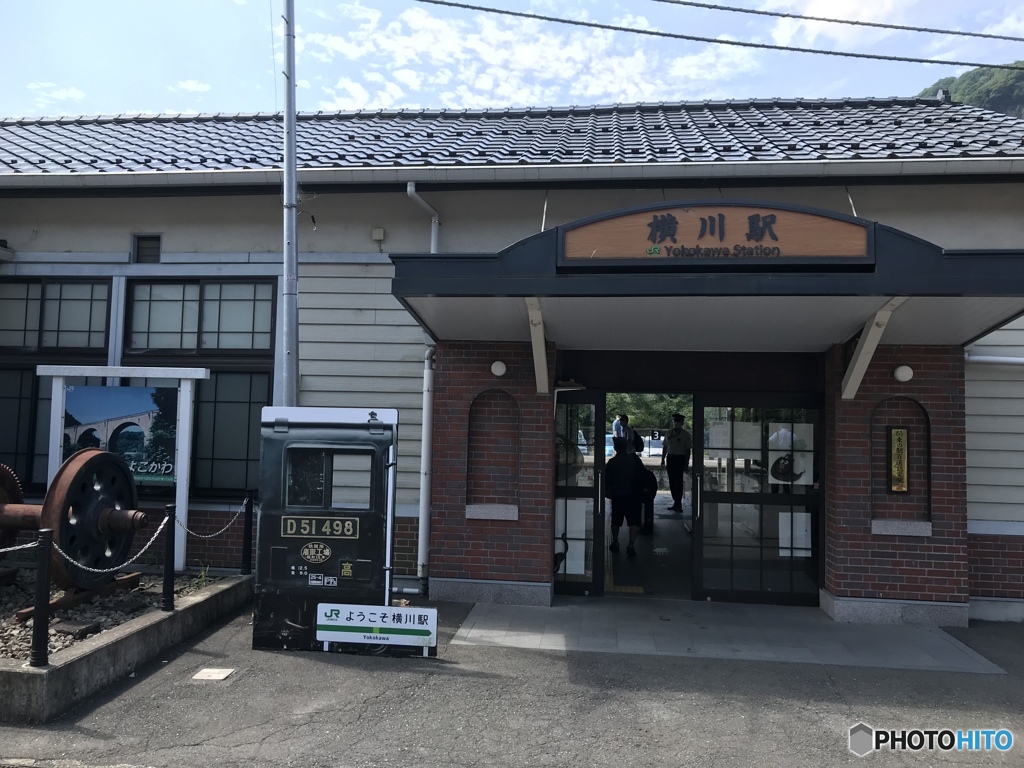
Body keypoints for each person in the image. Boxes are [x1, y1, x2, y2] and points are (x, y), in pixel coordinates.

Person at [605, 436, 645, 557]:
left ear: (615, 447)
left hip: (617, 496)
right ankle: (631, 545)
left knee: (616, 521)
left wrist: (608, 493)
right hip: (633, 496)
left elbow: (607, 481)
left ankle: (615, 542)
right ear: (626, 446)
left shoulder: (612, 462)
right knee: (633, 522)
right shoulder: (635, 460)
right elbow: (642, 475)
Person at [660, 413, 692, 512]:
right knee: (672, 481)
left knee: (678, 481)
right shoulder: (669, 433)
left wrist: (686, 463)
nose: (676, 423)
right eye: (675, 421)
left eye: (678, 421)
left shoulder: (685, 434)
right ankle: (676, 501)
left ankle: (678, 503)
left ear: (682, 423)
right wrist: (662, 459)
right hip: (671, 458)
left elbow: (687, 450)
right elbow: (665, 447)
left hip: (680, 458)